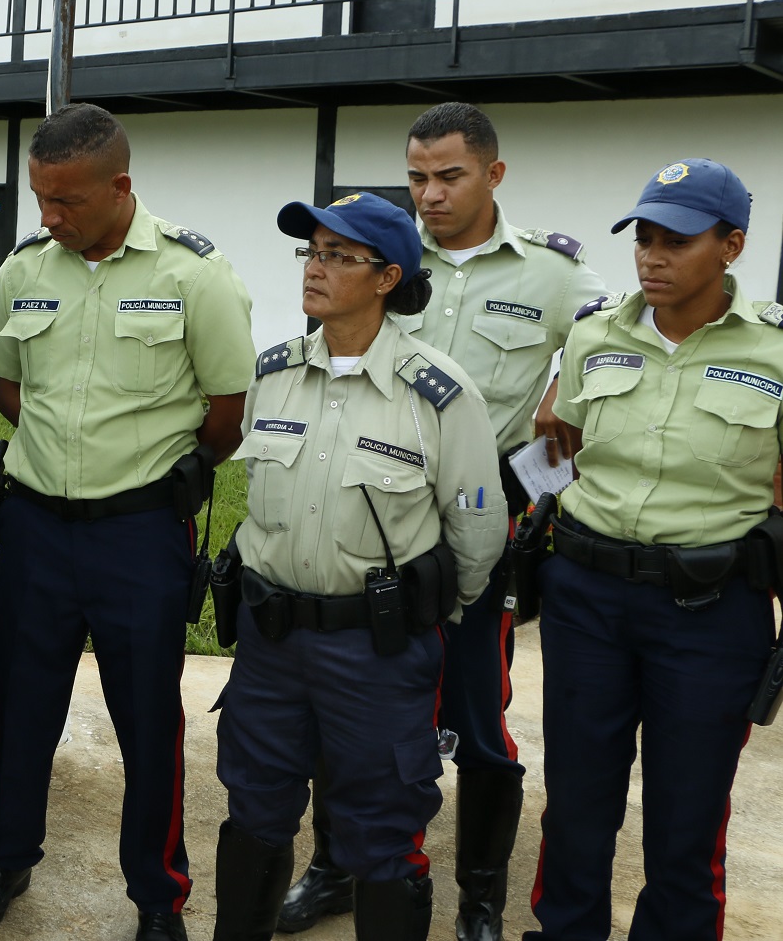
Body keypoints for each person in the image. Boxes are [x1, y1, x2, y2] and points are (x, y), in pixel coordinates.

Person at [278, 103, 606, 941]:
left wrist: (569, 386)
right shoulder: (384, 254)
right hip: (370, 511)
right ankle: (337, 866)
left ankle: (479, 896)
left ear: (493, 174)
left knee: (476, 714)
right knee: (348, 702)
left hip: (479, 516)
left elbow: (623, 335)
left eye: (448, 175)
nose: (428, 193)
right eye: (418, 175)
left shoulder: (553, 274)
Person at [0, 102, 257, 941]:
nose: (50, 218)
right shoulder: (25, 269)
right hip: (35, 529)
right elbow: (5, 383)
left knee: (146, 720)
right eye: (40, 199)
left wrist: (146, 471)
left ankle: (158, 895)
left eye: (68, 202)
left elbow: (226, 412)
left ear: (120, 186)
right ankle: (7, 856)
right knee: (21, 703)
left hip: (139, 535)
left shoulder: (194, 276)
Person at [213, 192, 506, 941]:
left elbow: (477, 530)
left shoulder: (438, 395)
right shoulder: (274, 372)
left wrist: (420, 613)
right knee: (253, 806)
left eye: (338, 256)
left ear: (386, 277)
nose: (315, 267)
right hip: (271, 642)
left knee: (382, 828)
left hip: (374, 650)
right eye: (311, 251)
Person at [530, 159, 781, 940]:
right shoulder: (595, 332)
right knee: (576, 801)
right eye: (644, 237)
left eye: (677, 240)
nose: (653, 256)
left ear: (731, 245)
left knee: (687, 814)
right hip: (587, 599)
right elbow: (558, 439)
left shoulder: (775, 350)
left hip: (709, 612)